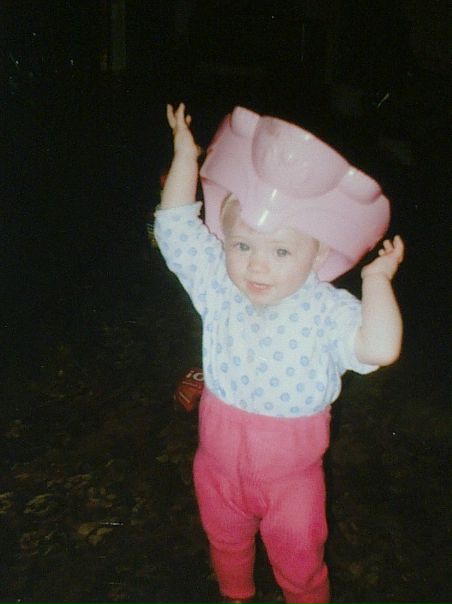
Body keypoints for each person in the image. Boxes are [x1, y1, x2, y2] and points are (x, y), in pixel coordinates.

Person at [153, 103, 404, 604]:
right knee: (225, 542)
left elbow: (379, 347)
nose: (257, 267)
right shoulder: (220, 284)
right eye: (242, 246)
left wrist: (377, 282)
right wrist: (185, 157)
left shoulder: (327, 311)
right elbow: (175, 227)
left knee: (299, 561)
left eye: (282, 251)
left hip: (291, 482)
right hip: (216, 466)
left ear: (320, 254)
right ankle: (235, 595)